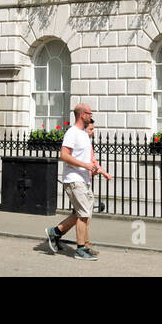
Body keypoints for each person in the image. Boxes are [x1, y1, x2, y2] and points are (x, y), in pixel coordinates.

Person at [45, 102, 111, 261]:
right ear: (82, 114)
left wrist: (93, 169)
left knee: (81, 214)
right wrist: (85, 165)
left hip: (84, 179)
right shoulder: (72, 132)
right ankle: (81, 250)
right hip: (74, 181)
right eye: (89, 113)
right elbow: (64, 155)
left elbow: (86, 159)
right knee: (83, 214)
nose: (91, 116)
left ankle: (56, 232)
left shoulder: (83, 134)